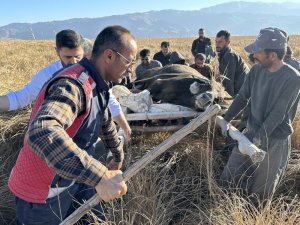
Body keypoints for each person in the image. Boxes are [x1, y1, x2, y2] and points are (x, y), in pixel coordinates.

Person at [8, 25, 138, 224]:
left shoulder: (98, 84)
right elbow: (43, 131)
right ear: (109, 56)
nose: (131, 69)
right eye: (129, 61)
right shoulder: (73, 84)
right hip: (43, 194)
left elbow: (102, 118)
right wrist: (101, 176)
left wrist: (117, 153)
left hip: (69, 179)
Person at [219, 27, 300, 206]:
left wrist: (257, 139)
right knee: (229, 177)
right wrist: (226, 119)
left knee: (260, 193)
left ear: (272, 55)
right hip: (250, 132)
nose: (254, 54)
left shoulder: (292, 78)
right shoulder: (256, 71)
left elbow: (278, 114)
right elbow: (242, 97)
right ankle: (224, 209)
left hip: (274, 141)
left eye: (258, 51)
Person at [0, 30, 131, 139]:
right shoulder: (48, 75)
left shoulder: (92, 71)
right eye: (68, 57)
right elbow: (20, 97)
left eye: (77, 56)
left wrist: (125, 128)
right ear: (57, 52)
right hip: (56, 135)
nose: (73, 62)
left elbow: (109, 101)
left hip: (83, 132)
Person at [216, 30, 250, 97]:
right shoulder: (225, 54)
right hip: (242, 91)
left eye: (220, 42)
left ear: (228, 42)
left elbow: (229, 81)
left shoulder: (229, 55)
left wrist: (229, 101)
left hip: (241, 93)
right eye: (216, 41)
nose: (217, 44)